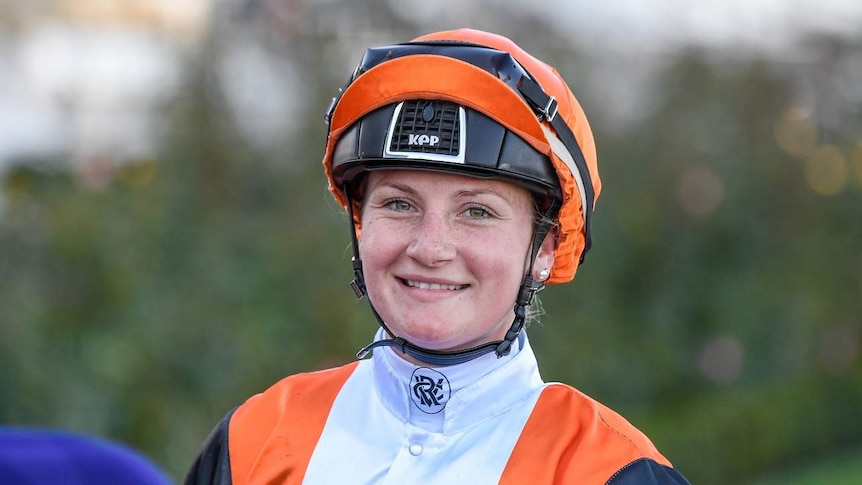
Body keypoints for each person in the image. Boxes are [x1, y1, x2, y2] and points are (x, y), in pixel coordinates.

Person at [185, 28, 690, 484]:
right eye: (399, 204)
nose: (429, 248)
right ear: (361, 225)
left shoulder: (611, 473)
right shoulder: (252, 441)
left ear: (546, 245)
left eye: (476, 212)